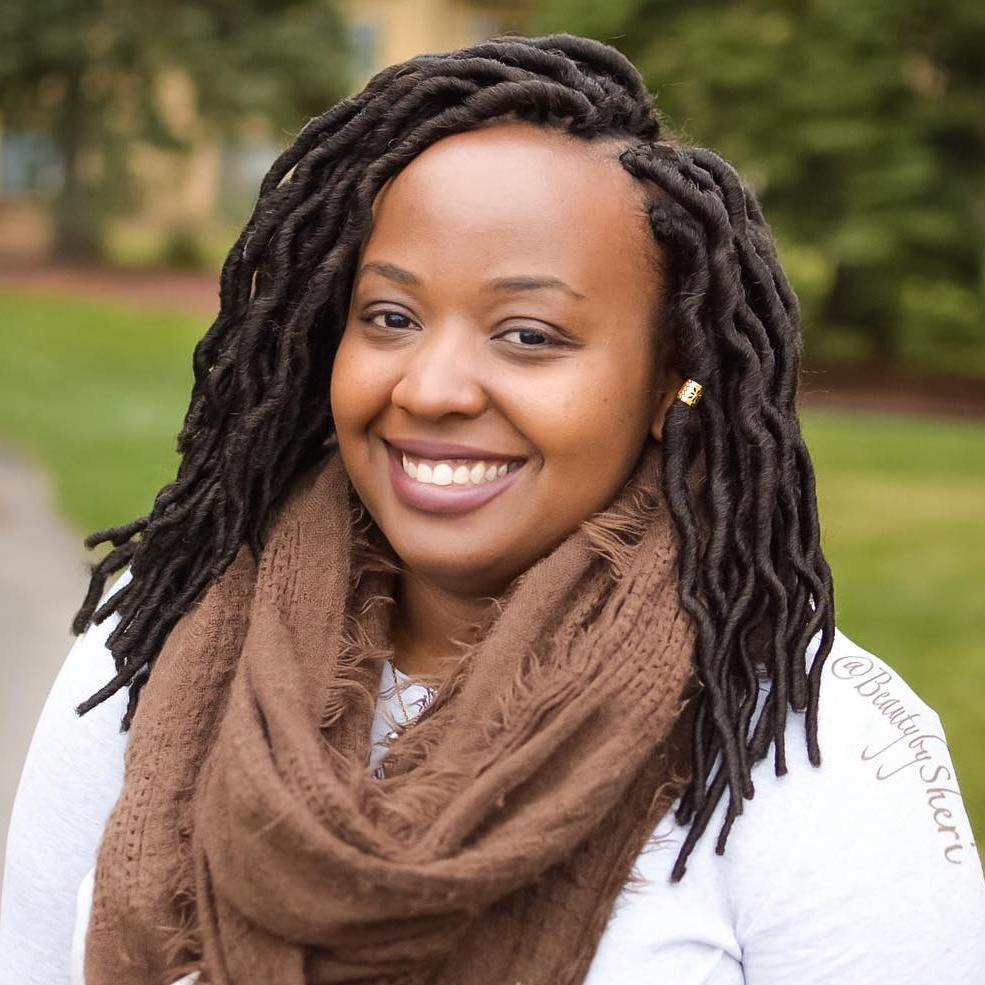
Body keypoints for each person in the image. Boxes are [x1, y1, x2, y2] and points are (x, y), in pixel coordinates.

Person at [2, 31, 984, 985]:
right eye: (389, 316)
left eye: (527, 333)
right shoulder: (152, 642)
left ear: (664, 379)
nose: (431, 387)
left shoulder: (812, 745)